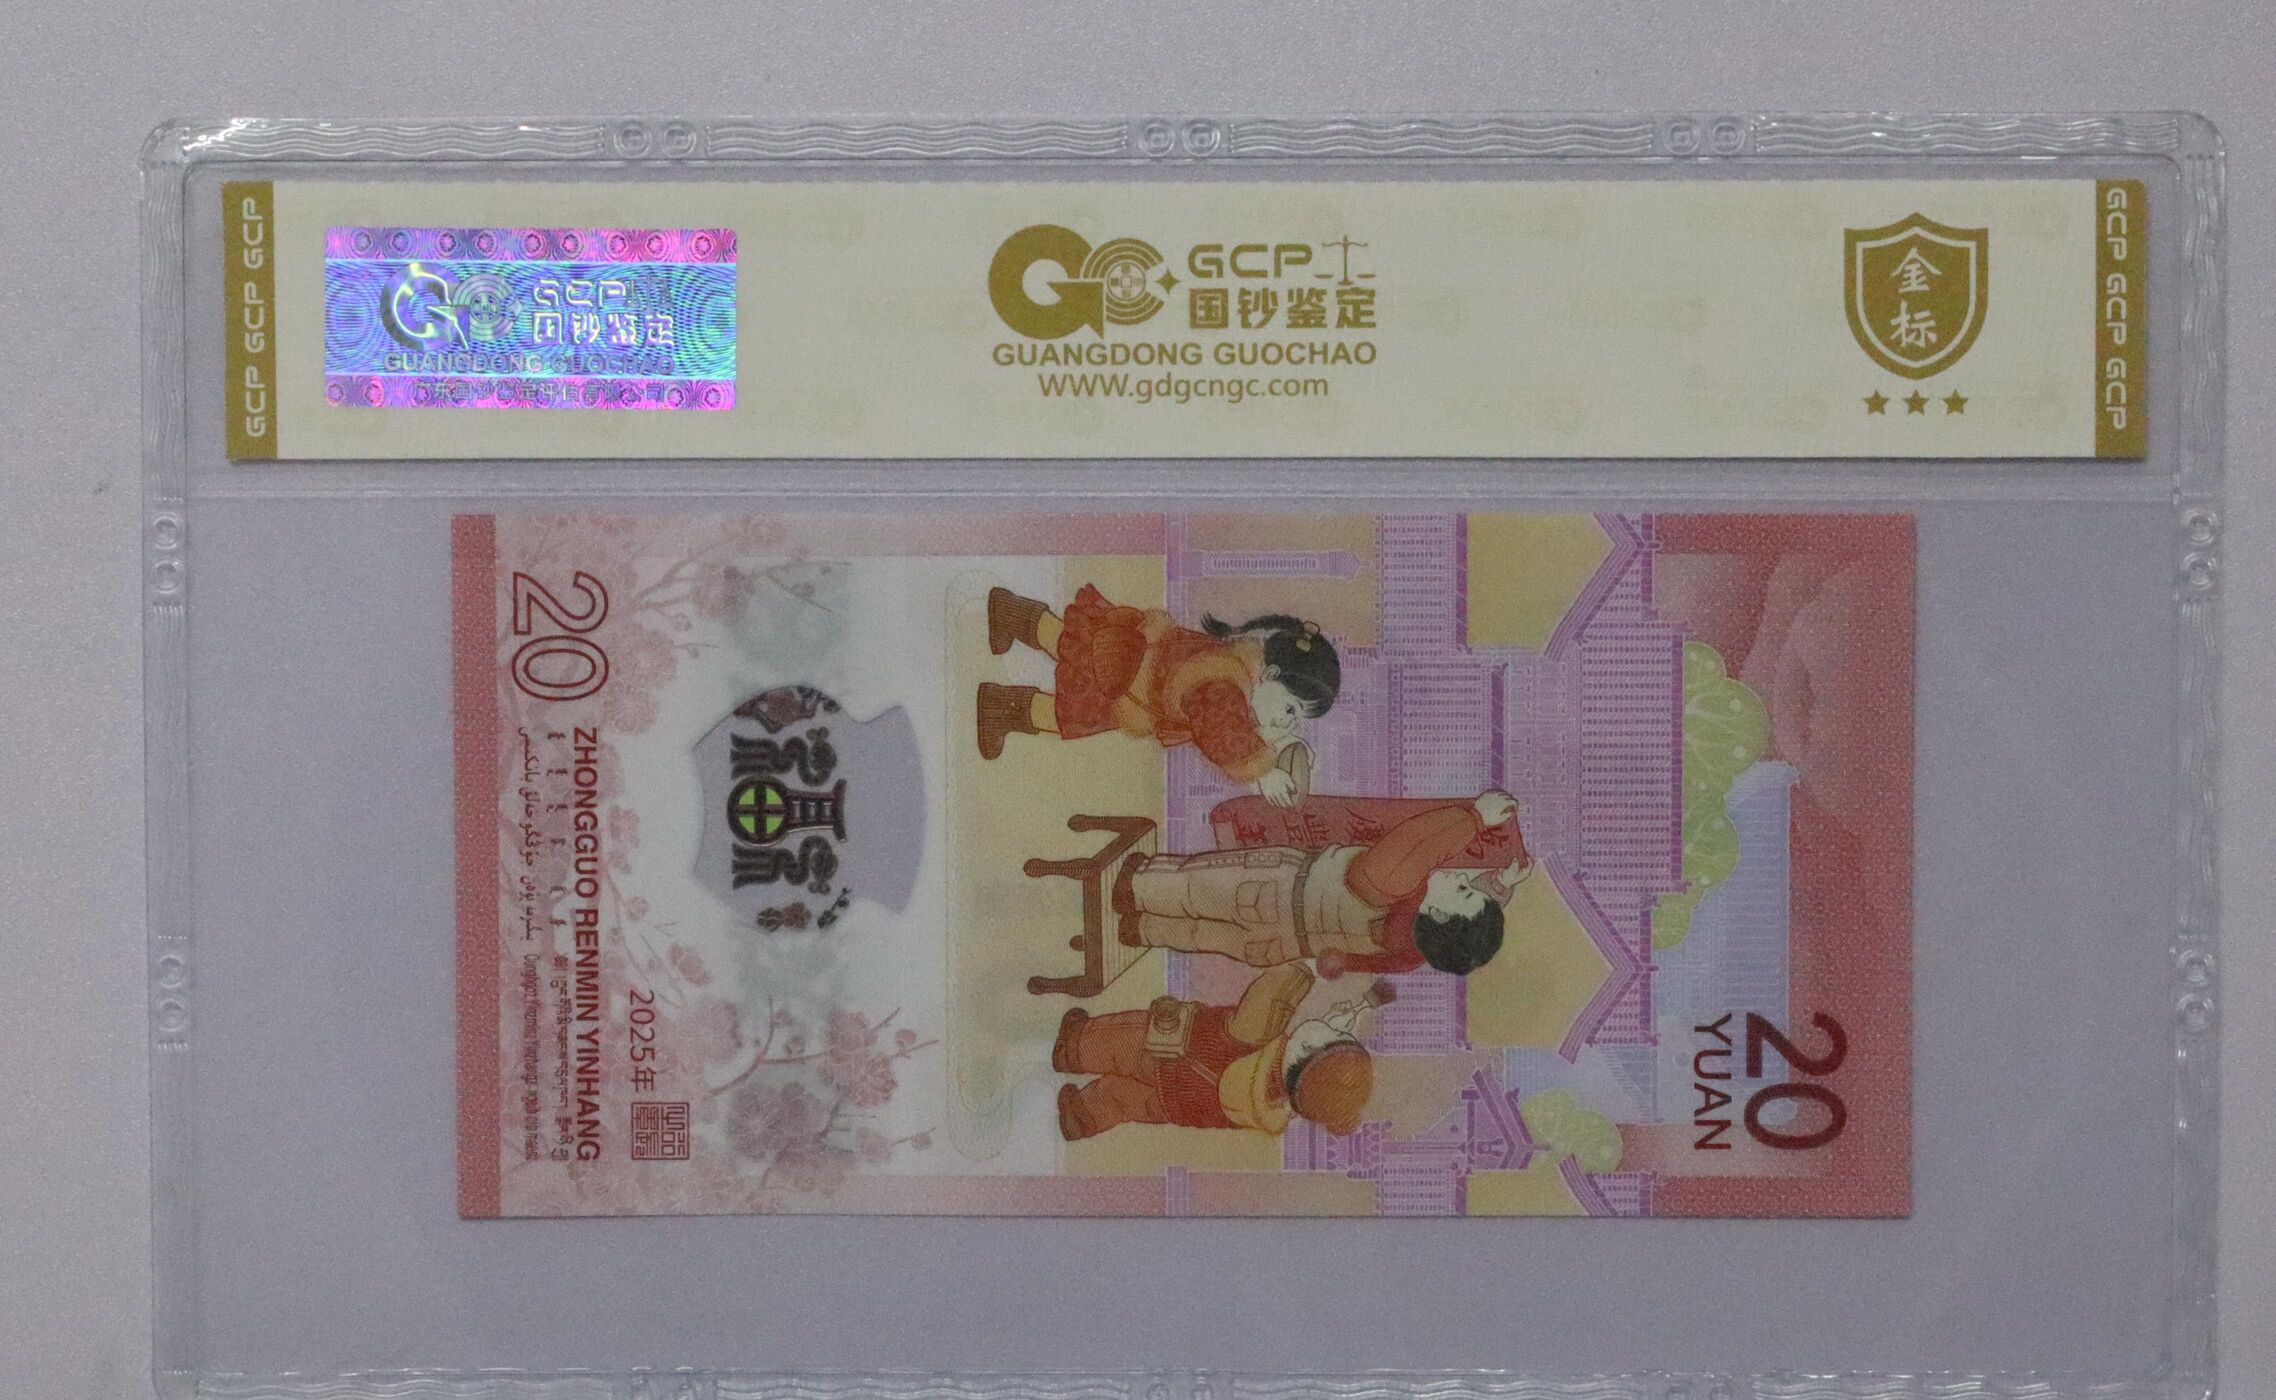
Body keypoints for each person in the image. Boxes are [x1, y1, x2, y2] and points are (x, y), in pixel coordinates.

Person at [976, 585, 1340, 807]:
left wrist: (1287, 746)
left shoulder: (1241, 670)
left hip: (1138, 668)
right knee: (1068, 707)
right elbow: (1224, 734)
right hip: (1130, 681)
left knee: (1068, 642)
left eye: (1296, 719)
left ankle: (1009, 615)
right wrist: (1262, 772)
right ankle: (998, 703)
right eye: (1291, 709)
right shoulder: (1224, 685)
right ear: (1271, 674)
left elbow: (1244, 723)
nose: (1287, 722)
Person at [1114, 791, 1531, 978]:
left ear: (1437, 913)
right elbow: (1369, 962)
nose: (1459, 878)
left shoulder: (1394, 884)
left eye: (1463, 890)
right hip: (1279, 946)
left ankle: (1136, 887)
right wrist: (1498, 886)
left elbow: (1416, 845)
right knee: (1201, 935)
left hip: (1272, 892)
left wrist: (1475, 818)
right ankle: (1143, 929)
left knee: (1195, 888)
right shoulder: (1413, 953)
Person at [1052, 964, 1390, 1140]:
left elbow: (1271, 995)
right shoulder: (1270, 1107)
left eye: (1334, 1035)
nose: (1334, 1027)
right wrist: (1365, 1003)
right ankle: (1085, 1115)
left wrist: (1303, 971)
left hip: (1169, 1054)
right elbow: (1328, 1034)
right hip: (1175, 1106)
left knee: (1121, 1042)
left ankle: (1075, 1047)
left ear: (1308, 1049)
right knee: (1124, 1101)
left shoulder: (1258, 1037)